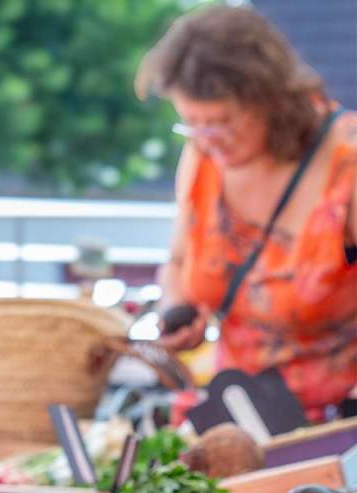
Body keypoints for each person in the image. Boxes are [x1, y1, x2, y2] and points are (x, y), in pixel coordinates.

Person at [136, 5, 357, 421]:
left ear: (271, 99)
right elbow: (179, 261)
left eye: (223, 123)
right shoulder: (202, 156)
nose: (209, 141)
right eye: (192, 124)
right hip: (241, 417)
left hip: (336, 427)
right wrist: (175, 308)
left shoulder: (346, 161)